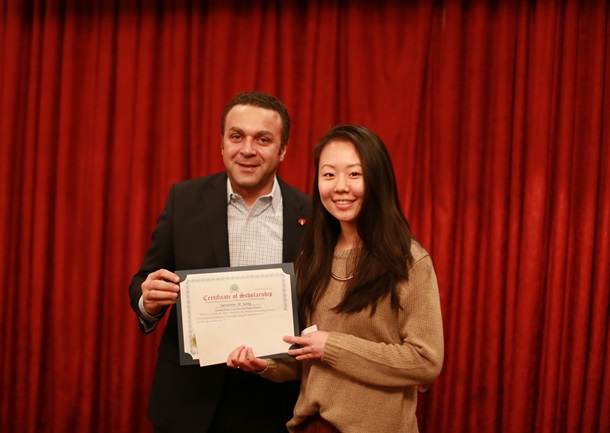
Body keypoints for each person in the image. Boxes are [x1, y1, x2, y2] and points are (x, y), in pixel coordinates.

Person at [227, 124, 444, 433]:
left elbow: (425, 361)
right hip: (311, 425)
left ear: (378, 180)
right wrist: (267, 366)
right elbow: (310, 355)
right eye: (328, 175)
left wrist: (332, 346)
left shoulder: (408, 261)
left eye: (354, 174)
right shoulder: (313, 256)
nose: (340, 187)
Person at [129, 91, 312, 433]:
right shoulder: (183, 200)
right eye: (237, 136)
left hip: (275, 404)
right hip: (188, 402)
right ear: (222, 144)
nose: (247, 149)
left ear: (283, 150)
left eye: (263, 139)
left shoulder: (313, 215)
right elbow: (144, 280)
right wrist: (148, 301)